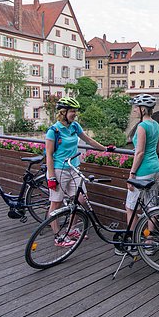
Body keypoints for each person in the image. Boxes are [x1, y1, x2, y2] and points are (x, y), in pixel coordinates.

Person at [45, 96, 113, 247]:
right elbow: (49, 155)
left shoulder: (75, 126)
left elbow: (88, 140)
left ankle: (71, 229)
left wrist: (105, 149)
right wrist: (51, 176)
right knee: (55, 204)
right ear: (63, 112)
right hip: (58, 170)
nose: (75, 114)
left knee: (81, 199)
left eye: (75, 111)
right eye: (72, 111)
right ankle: (58, 236)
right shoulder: (53, 131)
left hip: (74, 168)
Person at [121, 94, 159, 255]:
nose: (135, 110)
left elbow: (139, 153)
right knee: (151, 207)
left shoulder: (142, 126)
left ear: (143, 109)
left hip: (142, 171)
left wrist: (131, 174)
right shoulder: (156, 125)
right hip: (156, 170)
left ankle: (134, 241)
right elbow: (158, 150)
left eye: (136, 107)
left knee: (130, 207)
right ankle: (149, 243)